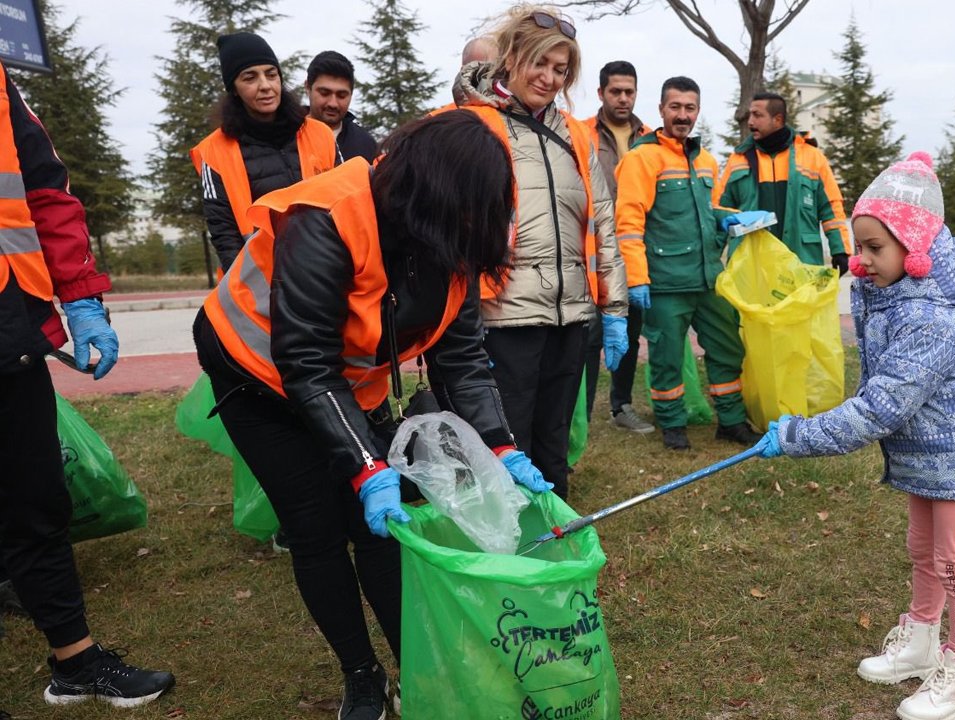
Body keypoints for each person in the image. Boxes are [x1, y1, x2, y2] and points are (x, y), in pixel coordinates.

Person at [194, 112, 551, 719]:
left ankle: (419, 664)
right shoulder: (325, 217)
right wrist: (366, 464)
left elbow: (462, 359)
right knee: (316, 529)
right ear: (428, 193)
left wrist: (501, 444)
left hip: (347, 382)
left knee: (384, 532)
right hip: (257, 374)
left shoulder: (452, 237)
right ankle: (361, 675)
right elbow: (306, 362)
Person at [755, 152, 955, 720]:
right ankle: (921, 639)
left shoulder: (935, 317)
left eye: (874, 248)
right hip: (924, 452)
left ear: (913, 247)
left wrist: (797, 436)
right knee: (923, 551)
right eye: (859, 246)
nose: (861, 260)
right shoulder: (895, 293)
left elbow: (880, 407)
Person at [0, 59, 174, 709]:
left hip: (9, 327)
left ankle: (74, 661)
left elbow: (46, 192)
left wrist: (79, 297)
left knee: (37, 500)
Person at [446, 5, 629, 498]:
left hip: (569, 316)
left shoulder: (575, 134)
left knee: (554, 443)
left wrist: (614, 307)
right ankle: (509, 539)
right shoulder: (472, 127)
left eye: (560, 69)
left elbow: (603, 223)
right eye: (539, 63)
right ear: (510, 58)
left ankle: (554, 535)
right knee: (508, 444)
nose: (549, 78)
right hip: (503, 319)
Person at [614, 76, 761, 451]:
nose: (683, 115)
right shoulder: (641, 159)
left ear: (697, 111)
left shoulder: (707, 161)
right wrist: (637, 279)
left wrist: (728, 217)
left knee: (728, 349)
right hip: (665, 283)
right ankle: (672, 424)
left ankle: (731, 421)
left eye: (690, 108)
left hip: (709, 279)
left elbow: (707, 210)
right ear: (661, 109)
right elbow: (628, 224)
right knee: (666, 358)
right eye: (675, 107)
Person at [193, 32, 337, 273]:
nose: (266, 86)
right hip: (260, 280)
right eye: (250, 78)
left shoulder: (320, 134)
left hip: (326, 271)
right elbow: (224, 233)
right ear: (234, 89)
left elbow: (349, 203)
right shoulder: (215, 151)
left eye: (271, 74)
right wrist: (252, 286)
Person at [582, 60, 653, 433]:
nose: (623, 98)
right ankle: (579, 413)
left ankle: (621, 406)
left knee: (629, 332)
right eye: (615, 91)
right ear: (601, 93)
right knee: (589, 335)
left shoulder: (650, 138)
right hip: (592, 252)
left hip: (635, 253)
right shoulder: (581, 134)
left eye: (629, 91)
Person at [715, 91, 851, 273]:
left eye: (757, 115)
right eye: (749, 115)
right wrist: (711, 258)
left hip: (801, 261)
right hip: (752, 267)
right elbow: (721, 212)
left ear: (777, 119)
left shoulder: (812, 156)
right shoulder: (738, 159)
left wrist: (840, 250)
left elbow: (831, 207)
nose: (750, 122)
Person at [305, 50, 378, 163]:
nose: (333, 103)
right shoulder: (287, 136)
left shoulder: (366, 144)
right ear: (307, 88)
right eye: (324, 93)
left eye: (341, 95)